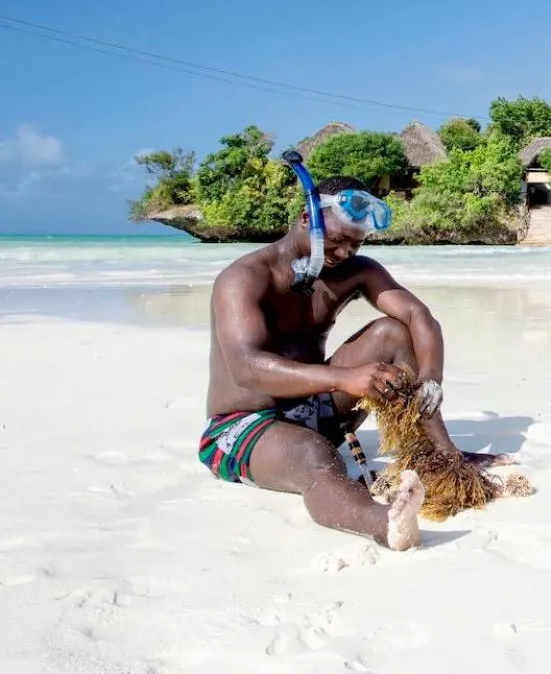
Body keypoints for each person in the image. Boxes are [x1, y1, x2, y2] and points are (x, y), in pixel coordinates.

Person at [198, 173, 510, 551]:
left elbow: (418, 317)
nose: (345, 253)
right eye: (337, 240)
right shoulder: (243, 279)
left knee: (392, 332)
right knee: (315, 456)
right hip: (243, 427)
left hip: (315, 409)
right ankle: (387, 524)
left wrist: (431, 379)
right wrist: (343, 378)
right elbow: (247, 368)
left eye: (355, 243)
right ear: (305, 219)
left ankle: (443, 454)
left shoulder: (355, 270)